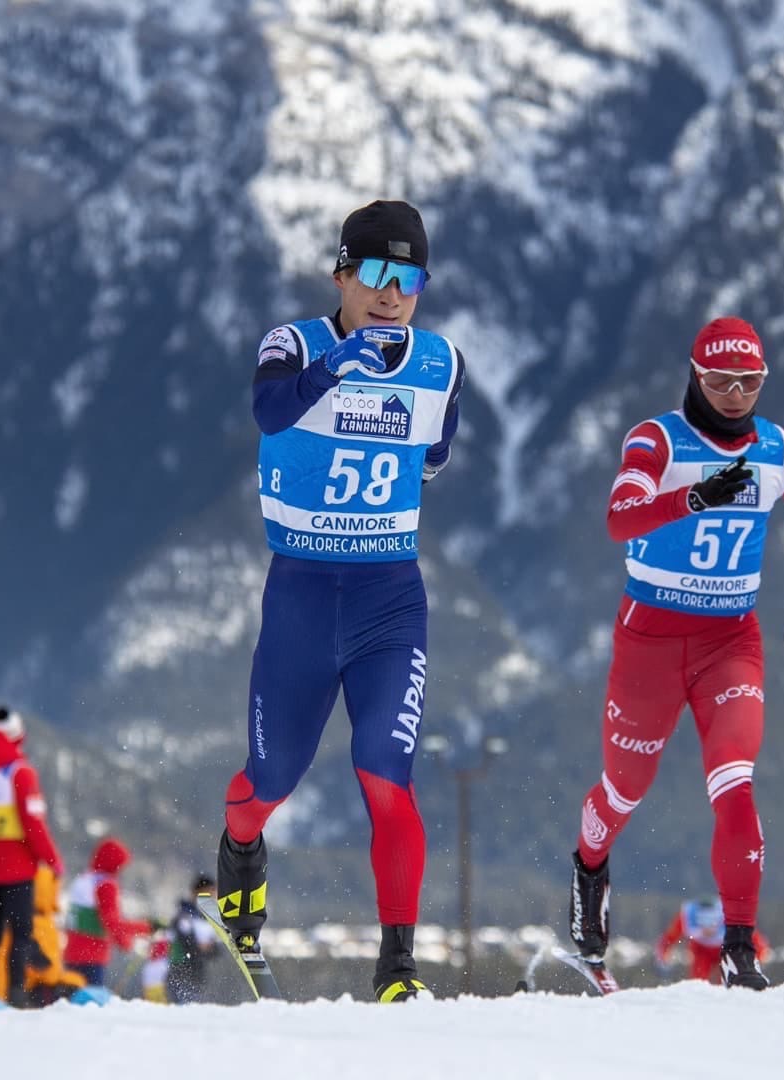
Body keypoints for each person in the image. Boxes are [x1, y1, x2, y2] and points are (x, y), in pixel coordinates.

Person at [215, 199, 466, 1003]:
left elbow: (436, 453)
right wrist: (337, 371)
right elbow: (267, 409)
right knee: (270, 779)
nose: (392, 294)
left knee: (384, 773)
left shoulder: (441, 363)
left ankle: (398, 968)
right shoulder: (295, 344)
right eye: (376, 274)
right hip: (300, 597)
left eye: (410, 277)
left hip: (390, 600)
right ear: (342, 275)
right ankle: (241, 862)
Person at [566, 316, 784, 990]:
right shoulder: (657, 439)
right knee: (624, 791)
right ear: (695, 374)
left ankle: (741, 948)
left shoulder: (778, 448)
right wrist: (688, 498)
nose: (735, 393)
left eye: (750, 381)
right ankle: (589, 872)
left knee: (734, 781)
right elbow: (618, 519)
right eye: (719, 380)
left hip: (729, 641)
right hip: (648, 641)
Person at [0, 706, 65, 1006]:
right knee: (21, 932)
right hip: (17, 869)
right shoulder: (19, 773)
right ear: (17, 737)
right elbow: (34, 824)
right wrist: (52, 860)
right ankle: (16, 995)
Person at [0, 864, 87, 1006]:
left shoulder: (21, 920)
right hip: (29, 989)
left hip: (23, 987)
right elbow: (41, 966)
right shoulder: (33, 923)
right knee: (71, 989)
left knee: (75, 982)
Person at [62, 836, 152, 987]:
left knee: (72, 1002)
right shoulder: (106, 885)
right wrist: (147, 927)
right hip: (92, 957)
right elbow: (112, 923)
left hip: (71, 955)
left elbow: (100, 919)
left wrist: (124, 942)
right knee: (91, 1003)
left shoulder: (83, 880)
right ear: (114, 864)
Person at [654, 896, 769, 983]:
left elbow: (749, 933)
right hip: (701, 950)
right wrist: (663, 958)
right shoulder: (688, 914)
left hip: (726, 949)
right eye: (703, 922)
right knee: (698, 979)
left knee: (730, 977)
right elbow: (669, 937)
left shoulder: (727, 913)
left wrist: (760, 954)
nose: (708, 930)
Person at [165, 872, 219, 1003]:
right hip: (180, 973)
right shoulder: (184, 916)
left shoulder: (208, 919)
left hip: (198, 975)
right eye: (207, 894)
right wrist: (201, 947)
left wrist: (209, 948)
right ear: (195, 893)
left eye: (213, 894)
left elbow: (216, 950)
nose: (211, 898)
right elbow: (187, 944)